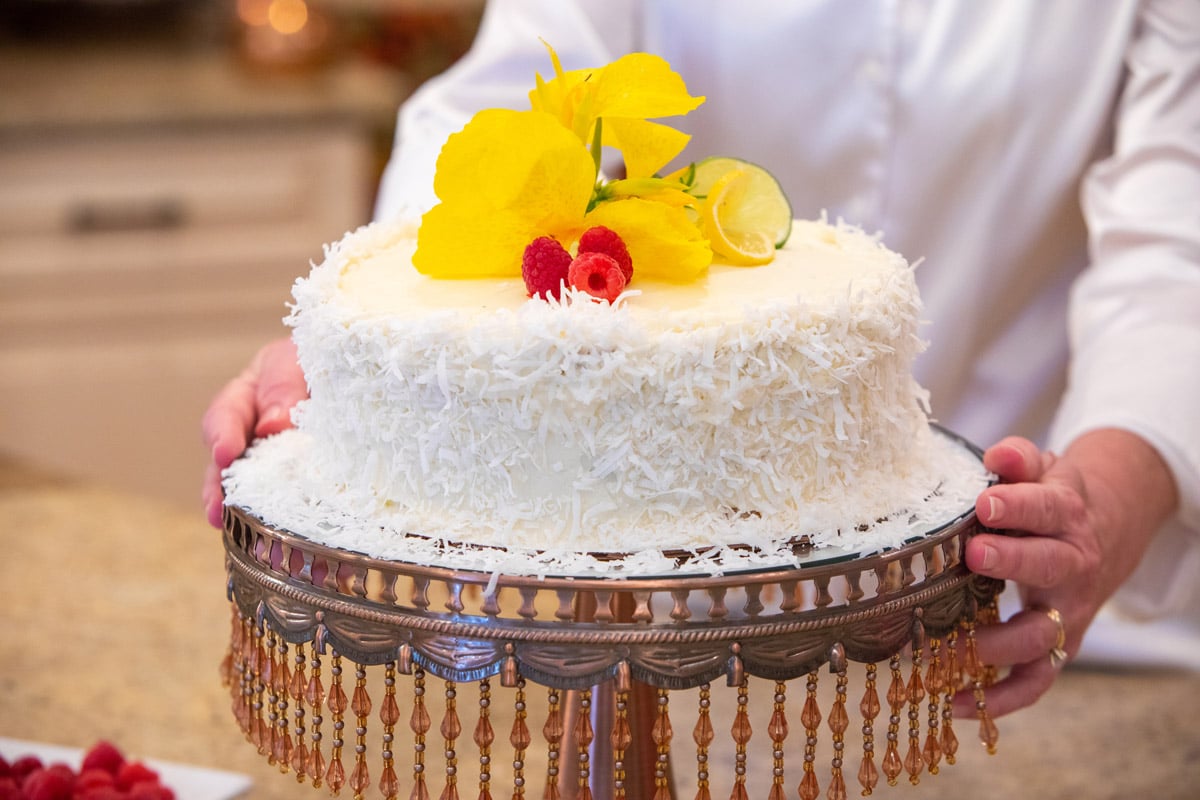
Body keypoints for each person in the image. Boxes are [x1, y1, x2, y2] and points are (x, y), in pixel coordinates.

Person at [202, 0, 1200, 718]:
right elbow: (522, 106)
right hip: (654, 622)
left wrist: (1108, 501)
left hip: (1040, 618)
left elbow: (1179, 238)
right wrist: (377, 349)